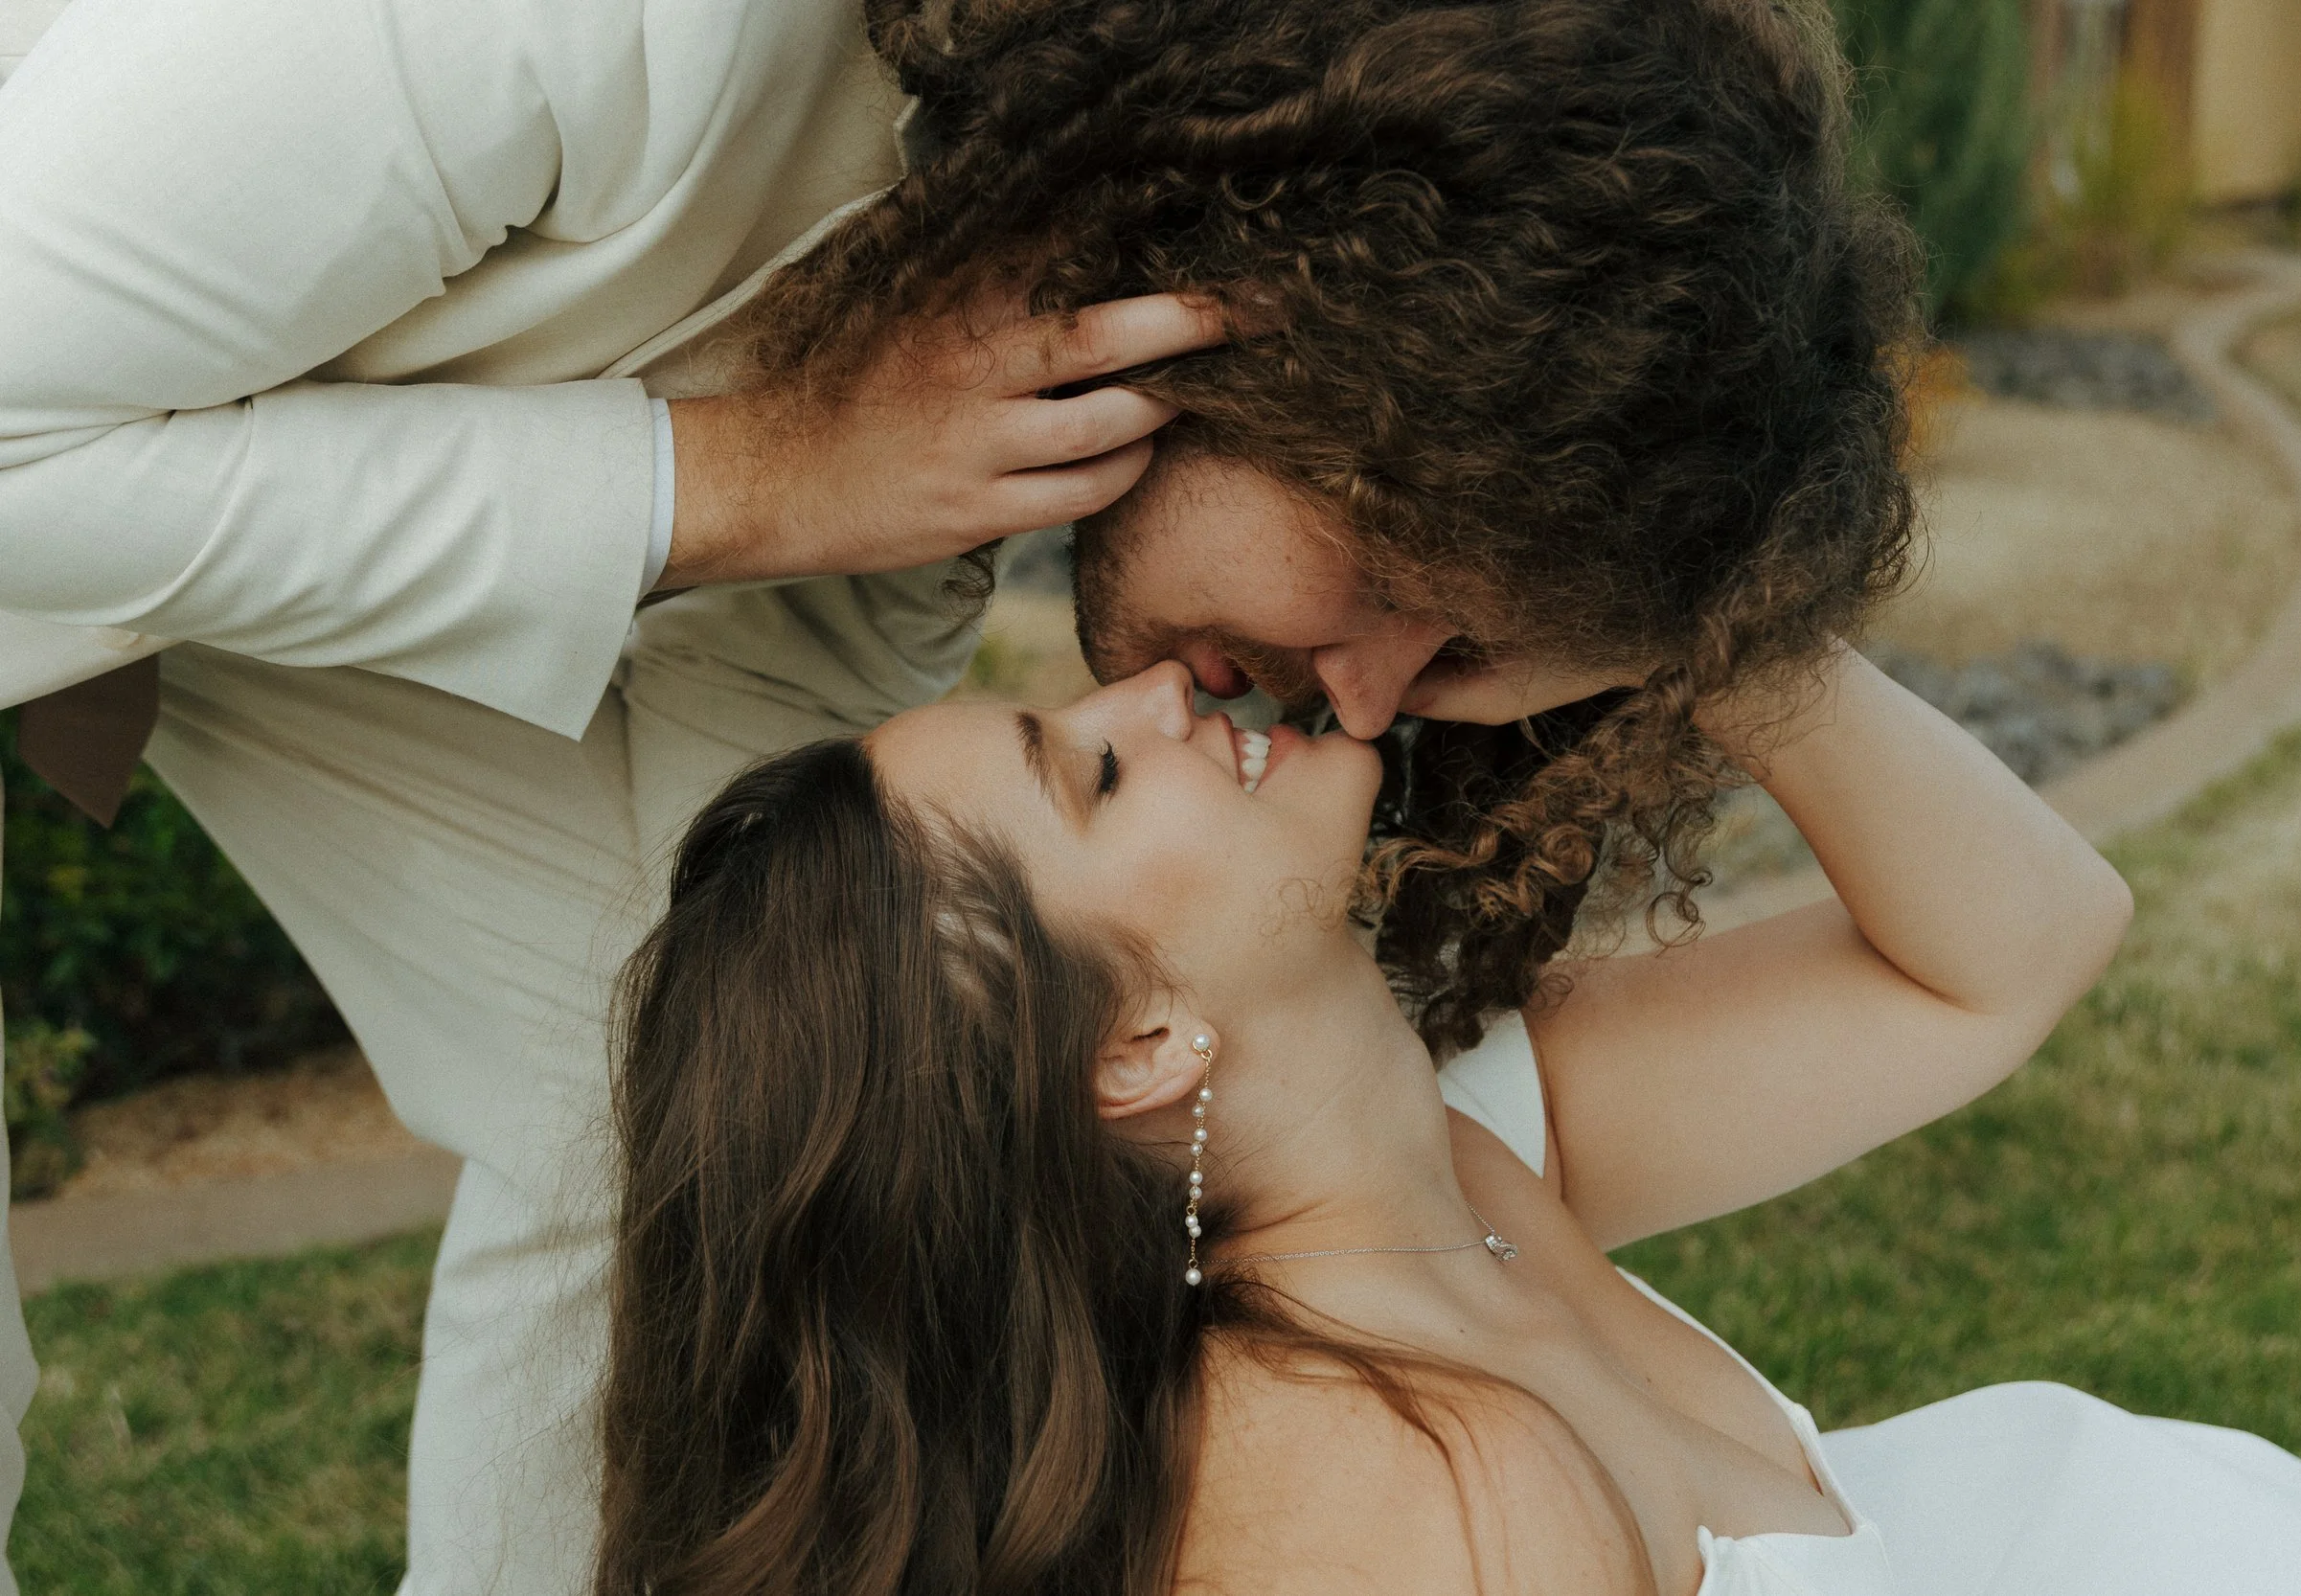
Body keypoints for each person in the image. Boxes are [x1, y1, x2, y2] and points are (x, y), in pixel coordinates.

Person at [0, 0, 1910, 1586]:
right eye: (1395, 594)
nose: (1364, 700)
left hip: (165, 488)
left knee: (651, 1058)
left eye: (1456, 668)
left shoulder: (1050, 312)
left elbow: (723, 961)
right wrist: (739, 474)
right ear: (1342, 351)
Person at [602, 650, 2301, 1595]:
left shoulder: (1462, 1151)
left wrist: (1701, 620)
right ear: (1135, 1039)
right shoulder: (1370, 1503)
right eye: (1091, 766)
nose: (1154, 692)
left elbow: (2018, 946)